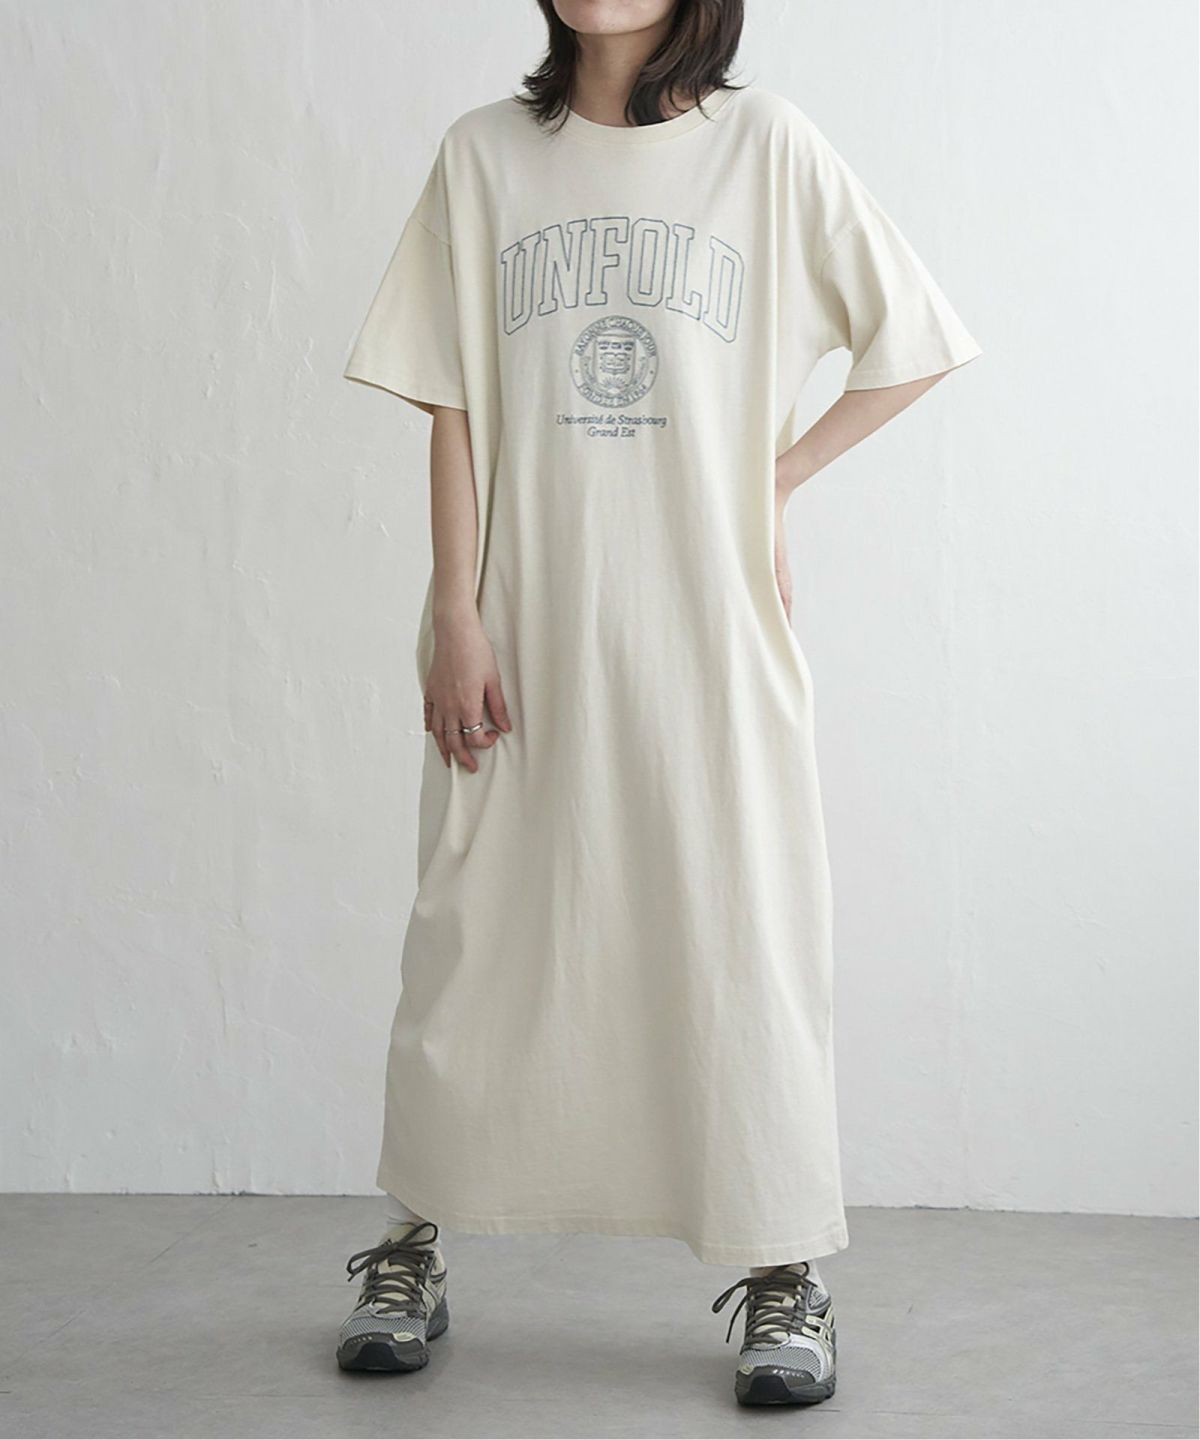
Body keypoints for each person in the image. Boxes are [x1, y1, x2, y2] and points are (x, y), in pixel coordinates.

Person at [336, 0, 980, 1408]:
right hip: (527, 619)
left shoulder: (769, 149)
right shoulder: (484, 156)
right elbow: (448, 401)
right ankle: (412, 1243)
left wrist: (774, 480)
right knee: (472, 931)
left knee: (740, 929)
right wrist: (456, 611)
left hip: (706, 624)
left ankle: (785, 1267)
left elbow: (913, 339)